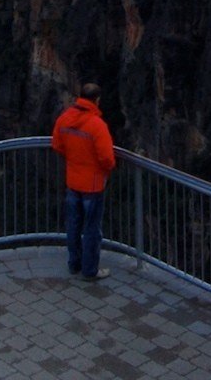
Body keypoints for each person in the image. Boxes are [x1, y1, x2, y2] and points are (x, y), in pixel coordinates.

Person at [51, 82, 117, 280]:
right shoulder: (97, 126)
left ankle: (74, 264)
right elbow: (107, 159)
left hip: (73, 182)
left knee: (73, 225)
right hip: (93, 185)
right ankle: (90, 271)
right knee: (91, 230)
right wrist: (103, 171)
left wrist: (74, 159)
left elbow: (57, 145)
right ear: (97, 100)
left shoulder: (64, 119)